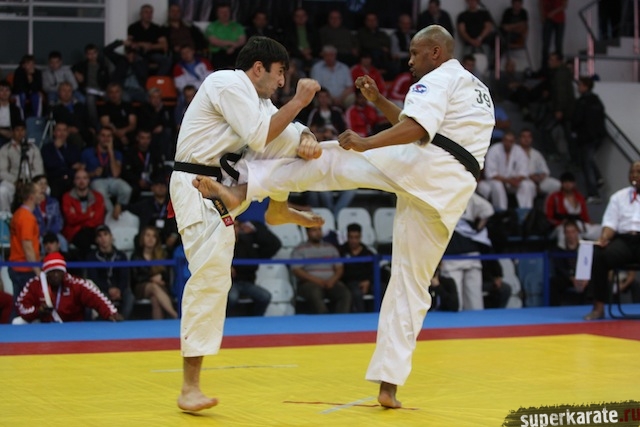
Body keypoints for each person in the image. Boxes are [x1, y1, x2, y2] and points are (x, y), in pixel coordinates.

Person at [193, 25, 495, 408]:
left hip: (429, 164)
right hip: (453, 187)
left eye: (415, 53)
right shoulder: (476, 88)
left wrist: (367, 143)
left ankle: (245, 188)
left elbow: (417, 129)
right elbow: (422, 128)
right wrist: (379, 100)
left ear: (435, 52)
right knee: (412, 284)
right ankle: (389, 383)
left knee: (333, 158)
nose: (410, 60)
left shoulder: (438, 78)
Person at [169, 36, 323, 412]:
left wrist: (306, 135)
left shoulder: (260, 101)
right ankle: (189, 387)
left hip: (226, 186)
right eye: (280, 72)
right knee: (212, 275)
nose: (283, 81)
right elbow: (259, 135)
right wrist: (300, 101)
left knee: (302, 150)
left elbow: (287, 131)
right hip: (196, 185)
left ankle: (277, 209)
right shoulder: (226, 82)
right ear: (258, 68)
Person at [584, 161, 640, 320]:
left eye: (638, 172)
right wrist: (603, 238)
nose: (634, 175)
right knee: (600, 254)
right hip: (624, 241)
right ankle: (599, 307)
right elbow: (610, 224)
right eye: (632, 172)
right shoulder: (618, 197)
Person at [14, 252, 121, 323]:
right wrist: (38, 311)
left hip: (73, 328)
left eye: (59, 271)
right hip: (43, 327)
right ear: (46, 273)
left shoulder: (75, 284)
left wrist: (111, 313)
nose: (56, 275)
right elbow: (21, 306)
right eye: (52, 272)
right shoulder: (35, 284)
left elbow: (96, 297)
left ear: (64, 272)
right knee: (17, 322)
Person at [291, 226, 351, 314]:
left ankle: (341, 319)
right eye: (314, 230)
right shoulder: (299, 249)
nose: (318, 233)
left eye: (319, 229)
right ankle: (324, 319)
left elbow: (339, 268)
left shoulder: (331, 248)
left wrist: (332, 280)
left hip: (331, 282)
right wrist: (317, 281)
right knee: (315, 293)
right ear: (307, 233)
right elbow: (297, 270)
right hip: (309, 283)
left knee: (345, 293)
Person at [228, 219, 280, 316]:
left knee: (265, 296)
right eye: (230, 226)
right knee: (232, 297)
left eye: (235, 226)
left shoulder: (247, 242)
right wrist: (227, 267)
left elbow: (274, 244)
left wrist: (256, 229)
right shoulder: (220, 246)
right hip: (229, 283)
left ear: (239, 228)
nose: (233, 229)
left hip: (247, 282)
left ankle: (254, 320)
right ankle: (226, 320)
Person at [477, 130, 536, 211]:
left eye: (511, 141)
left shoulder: (519, 151)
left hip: (513, 182)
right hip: (495, 181)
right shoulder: (494, 150)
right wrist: (508, 180)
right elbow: (490, 174)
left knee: (527, 184)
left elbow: (524, 171)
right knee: (497, 185)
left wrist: (517, 180)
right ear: (503, 140)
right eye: (506, 140)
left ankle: (525, 211)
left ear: (514, 141)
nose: (508, 143)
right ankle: (501, 210)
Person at [81, 127, 132, 219]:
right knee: (100, 192)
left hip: (112, 180)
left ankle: (120, 210)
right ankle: (112, 217)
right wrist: (93, 173)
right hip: (96, 180)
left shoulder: (117, 153)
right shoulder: (87, 152)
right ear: (98, 137)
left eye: (109, 136)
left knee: (126, 189)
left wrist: (111, 152)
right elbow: (80, 174)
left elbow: (116, 174)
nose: (106, 139)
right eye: (103, 136)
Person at [86, 224, 134, 320]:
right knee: (100, 297)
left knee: (130, 297)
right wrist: (108, 289)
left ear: (111, 237)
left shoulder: (121, 255)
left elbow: (125, 276)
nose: (103, 238)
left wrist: (119, 289)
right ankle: (105, 322)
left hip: (119, 288)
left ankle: (122, 320)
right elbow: (93, 278)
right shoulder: (92, 257)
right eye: (100, 236)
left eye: (105, 234)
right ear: (96, 240)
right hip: (102, 289)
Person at [131, 225, 178, 320]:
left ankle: (159, 327)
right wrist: (151, 279)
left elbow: (167, 276)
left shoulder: (162, 255)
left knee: (155, 299)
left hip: (160, 286)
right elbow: (135, 277)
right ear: (142, 238)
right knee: (153, 287)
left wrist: (161, 279)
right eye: (148, 235)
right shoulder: (136, 256)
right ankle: (175, 315)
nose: (150, 239)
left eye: (153, 236)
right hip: (141, 287)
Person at [572, 76, 606, 204]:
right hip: (598, 136)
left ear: (585, 86)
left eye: (580, 85)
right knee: (589, 159)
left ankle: (593, 193)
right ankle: (598, 178)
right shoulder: (596, 101)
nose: (578, 87)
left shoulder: (582, 102)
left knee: (586, 164)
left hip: (586, 136)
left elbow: (577, 119)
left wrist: (574, 129)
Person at [8, 182, 43, 302]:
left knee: (19, 304)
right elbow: (27, 246)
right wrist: (37, 270)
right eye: (39, 192)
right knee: (26, 305)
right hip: (25, 269)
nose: (42, 195)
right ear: (31, 197)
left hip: (17, 266)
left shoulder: (18, 214)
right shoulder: (26, 218)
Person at [0, 122, 45, 212]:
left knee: (46, 189)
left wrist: (30, 181)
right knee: (2, 191)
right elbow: (2, 171)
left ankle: (39, 216)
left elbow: (39, 170)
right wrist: (15, 181)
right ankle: (6, 217)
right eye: (17, 130)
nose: (20, 133)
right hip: (13, 182)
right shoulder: (5, 149)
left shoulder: (33, 149)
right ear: (12, 132)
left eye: (22, 130)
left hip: (31, 181)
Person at [61, 169, 106, 257]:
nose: (81, 181)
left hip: (93, 230)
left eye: (84, 178)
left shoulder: (98, 197)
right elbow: (70, 219)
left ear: (88, 180)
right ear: (74, 181)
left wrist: (78, 217)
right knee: (84, 241)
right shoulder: (67, 197)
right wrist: (88, 215)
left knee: (104, 240)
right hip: (75, 231)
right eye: (78, 178)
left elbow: (98, 220)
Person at [339, 223, 375, 313]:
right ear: (347, 237)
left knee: (382, 289)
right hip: (350, 282)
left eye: (356, 237)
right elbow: (341, 271)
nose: (353, 240)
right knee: (356, 293)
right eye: (351, 237)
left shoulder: (367, 252)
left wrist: (368, 281)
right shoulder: (341, 251)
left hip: (367, 281)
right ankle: (361, 317)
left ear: (360, 237)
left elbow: (373, 270)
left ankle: (381, 317)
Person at [127, 3, 171, 76]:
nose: (149, 15)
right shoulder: (133, 27)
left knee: (167, 61)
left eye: (151, 12)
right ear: (141, 14)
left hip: (154, 53)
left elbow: (164, 45)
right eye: (146, 12)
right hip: (139, 53)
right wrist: (142, 44)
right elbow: (129, 43)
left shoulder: (157, 28)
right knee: (139, 61)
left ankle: (156, 79)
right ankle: (143, 81)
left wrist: (150, 46)